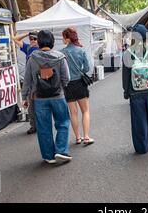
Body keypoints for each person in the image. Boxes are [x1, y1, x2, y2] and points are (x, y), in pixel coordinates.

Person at [21, 30, 72, 164]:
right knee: (63, 123)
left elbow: (27, 80)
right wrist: (60, 86)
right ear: (52, 42)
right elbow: (67, 78)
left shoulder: (32, 58)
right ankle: (61, 151)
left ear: (38, 42)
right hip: (58, 96)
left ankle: (48, 156)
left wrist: (24, 97)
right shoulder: (60, 57)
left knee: (43, 127)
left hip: (39, 98)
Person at [122, 24, 148, 154]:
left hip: (135, 92)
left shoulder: (127, 53)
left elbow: (126, 75)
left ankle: (142, 147)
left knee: (138, 119)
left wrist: (126, 91)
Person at [61, 27, 94, 145]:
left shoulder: (61, 53)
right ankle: (86, 137)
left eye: (63, 37)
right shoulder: (81, 50)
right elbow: (87, 68)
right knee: (85, 111)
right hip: (80, 84)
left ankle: (78, 137)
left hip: (68, 85)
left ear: (67, 38)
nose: (62, 39)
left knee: (73, 113)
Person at [13, 31, 40, 134]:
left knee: (40, 106)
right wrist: (27, 33)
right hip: (30, 82)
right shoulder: (28, 48)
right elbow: (15, 39)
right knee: (31, 107)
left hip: (40, 82)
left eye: (35, 39)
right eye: (31, 39)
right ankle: (33, 126)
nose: (32, 41)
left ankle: (41, 125)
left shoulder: (41, 49)